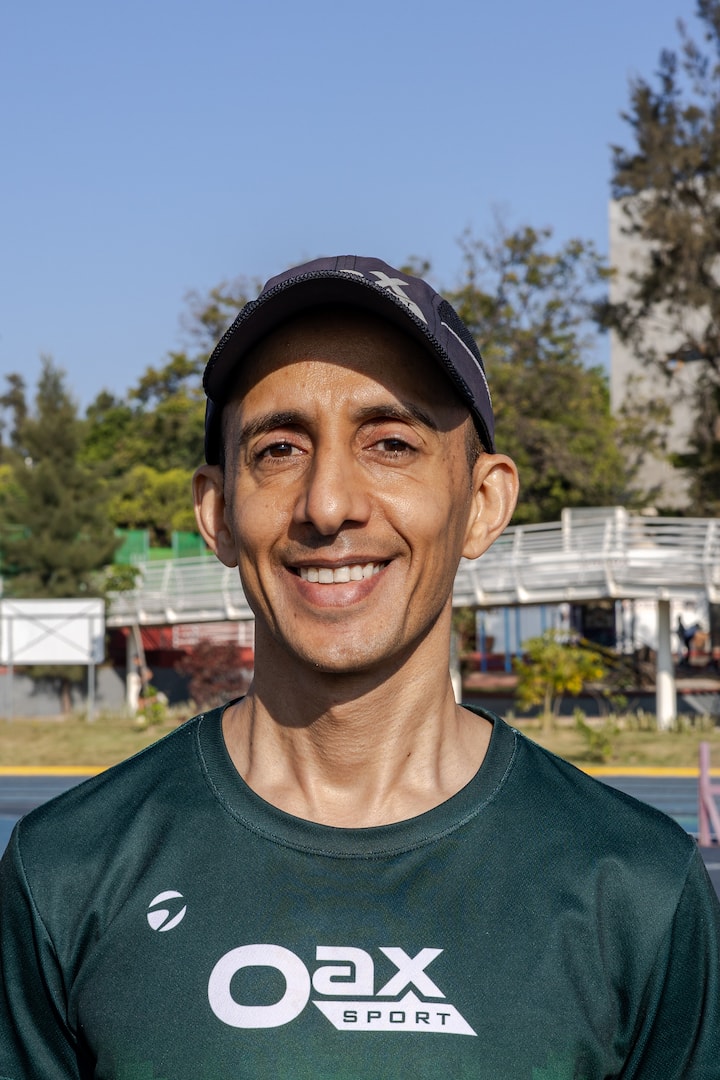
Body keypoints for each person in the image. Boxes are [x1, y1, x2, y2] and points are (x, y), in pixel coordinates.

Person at [1, 256, 719, 1079]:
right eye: (278, 449)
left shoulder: (637, 889)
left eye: (390, 443)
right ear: (217, 511)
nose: (328, 503)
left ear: (483, 503)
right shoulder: (66, 871)